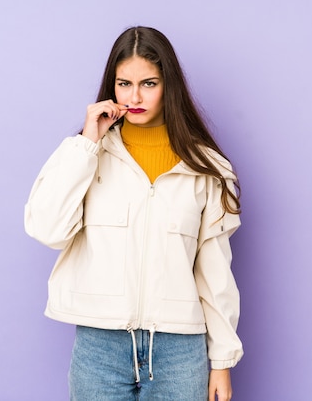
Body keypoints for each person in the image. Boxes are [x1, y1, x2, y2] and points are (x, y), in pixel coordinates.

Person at [24, 26, 243, 401]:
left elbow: (215, 272)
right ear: (112, 86)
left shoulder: (207, 168)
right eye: (124, 83)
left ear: (168, 85)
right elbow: (47, 229)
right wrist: (87, 144)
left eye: (149, 83)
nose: (135, 96)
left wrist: (221, 361)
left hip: (179, 353)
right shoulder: (87, 155)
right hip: (100, 348)